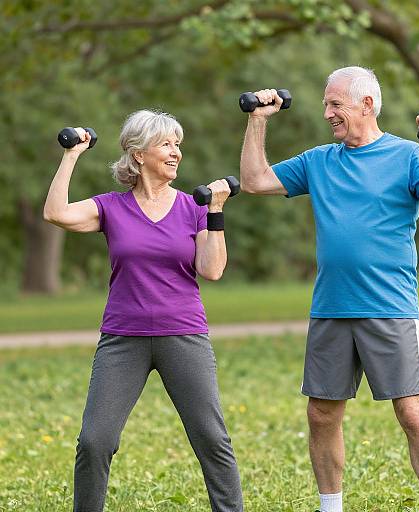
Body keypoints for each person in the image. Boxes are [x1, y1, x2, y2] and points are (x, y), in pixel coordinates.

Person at [239, 67, 419, 512]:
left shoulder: (408, 156)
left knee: (413, 414)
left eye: (335, 104)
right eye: (326, 103)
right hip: (330, 307)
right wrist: (258, 119)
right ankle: (331, 506)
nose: (327, 113)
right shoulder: (319, 160)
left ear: (367, 104)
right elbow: (254, 182)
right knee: (321, 414)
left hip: (390, 307)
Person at [43, 109, 244, 512]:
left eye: (178, 145)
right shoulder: (111, 207)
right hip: (123, 339)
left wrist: (217, 210)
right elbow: (56, 213)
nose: (176, 153)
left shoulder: (193, 207)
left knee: (211, 438)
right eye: (167, 144)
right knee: (95, 440)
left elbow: (212, 269)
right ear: (138, 155)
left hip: (183, 334)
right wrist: (71, 156)